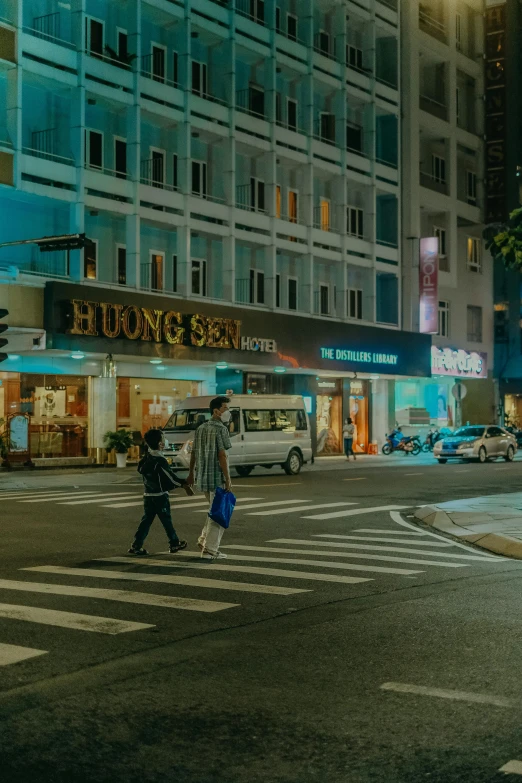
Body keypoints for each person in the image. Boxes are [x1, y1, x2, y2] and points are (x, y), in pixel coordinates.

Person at [128, 428, 193, 556]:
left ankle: (137, 545)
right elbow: (170, 477)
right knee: (166, 520)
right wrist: (184, 484)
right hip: (160, 496)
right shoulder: (160, 460)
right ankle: (174, 543)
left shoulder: (146, 458)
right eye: (163, 438)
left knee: (146, 521)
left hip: (148, 495)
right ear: (160, 444)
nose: (165, 441)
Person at [187, 395, 232, 560]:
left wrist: (191, 472)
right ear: (216, 411)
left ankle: (204, 540)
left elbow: (193, 452)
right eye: (225, 409)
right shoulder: (221, 429)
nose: (228, 412)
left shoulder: (200, 428)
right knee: (219, 515)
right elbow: (222, 455)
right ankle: (209, 550)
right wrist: (227, 478)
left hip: (203, 477)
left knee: (214, 511)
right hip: (217, 477)